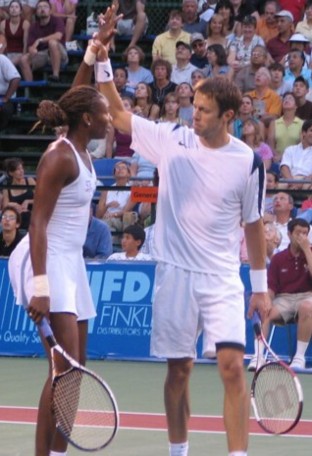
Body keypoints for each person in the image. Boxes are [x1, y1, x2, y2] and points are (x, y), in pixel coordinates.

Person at [94, 38, 270, 456]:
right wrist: (102, 62)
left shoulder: (248, 161)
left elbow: (254, 225)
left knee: (231, 367)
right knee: (179, 372)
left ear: (228, 115)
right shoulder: (171, 137)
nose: (195, 114)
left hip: (223, 276)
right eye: (195, 106)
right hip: (175, 273)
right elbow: (118, 114)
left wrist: (260, 288)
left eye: (205, 110)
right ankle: (179, 451)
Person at [8, 84, 110, 456]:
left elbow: (80, 90)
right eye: (105, 114)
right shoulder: (59, 157)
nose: (110, 119)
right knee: (62, 368)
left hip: (71, 261)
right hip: (44, 258)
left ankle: (58, 454)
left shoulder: (82, 149)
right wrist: (40, 285)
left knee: (75, 368)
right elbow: (36, 225)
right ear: (87, 118)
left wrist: (94, 50)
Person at [248, 218, 312, 371]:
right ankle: (258, 357)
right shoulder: (278, 259)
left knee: (307, 307)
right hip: (284, 298)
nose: (302, 237)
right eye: (298, 233)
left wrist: (307, 250)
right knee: (263, 309)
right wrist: (267, 301)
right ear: (289, 234)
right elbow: (271, 288)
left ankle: (299, 358)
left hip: (307, 296)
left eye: (305, 233)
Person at [19, 0, 68, 82]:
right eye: (39, 7)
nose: (42, 9)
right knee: (23, 59)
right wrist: (32, 50)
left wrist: (40, 40)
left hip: (59, 53)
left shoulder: (57, 21)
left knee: (52, 42)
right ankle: (31, 87)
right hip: (43, 55)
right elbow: (30, 46)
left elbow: (58, 36)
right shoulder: (33, 26)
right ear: (36, 12)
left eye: (45, 7)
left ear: (50, 10)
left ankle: (55, 75)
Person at [267, 91, 303, 164]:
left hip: (296, 160)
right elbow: (271, 145)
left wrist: (284, 156)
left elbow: (302, 147)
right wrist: (277, 157)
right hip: (277, 160)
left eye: (290, 99)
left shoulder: (302, 124)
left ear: (296, 106)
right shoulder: (274, 123)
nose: (287, 100)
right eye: (285, 99)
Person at [2, 157, 36, 230]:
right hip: (17, 218)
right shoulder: (7, 188)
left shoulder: (30, 181)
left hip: (32, 216)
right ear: (11, 173)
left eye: (22, 168)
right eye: (18, 169)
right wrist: (13, 204)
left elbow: (41, 199)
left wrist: (28, 201)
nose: (21, 171)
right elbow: (5, 207)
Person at [280, 119, 312, 189]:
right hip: (290, 179)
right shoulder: (290, 149)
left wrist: (303, 182)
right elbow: (284, 167)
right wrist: (292, 183)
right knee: (277, 185)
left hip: (309, 181)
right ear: (304, 133)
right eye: (311, 131)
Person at [0, 0, 30, 67]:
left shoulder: (25, 23)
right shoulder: (3, 24)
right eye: (12, 7)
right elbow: (3, 42)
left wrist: (23, 56)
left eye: (16, 7)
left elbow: (25, 43)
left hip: (20, 54)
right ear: (9, 10)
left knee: (8, 64)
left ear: (20, 11)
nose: (14, 9)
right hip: (7, 53)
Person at [0, 53, 20, 130]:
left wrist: (6, 97)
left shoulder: (2, 59)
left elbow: (16, 78)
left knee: (3, 109)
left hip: (5, 100)